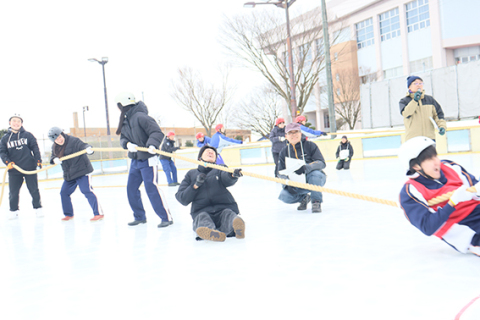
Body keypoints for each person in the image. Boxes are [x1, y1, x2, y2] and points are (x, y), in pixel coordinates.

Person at [398, 136, 480, 257]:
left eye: (435, 155)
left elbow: (474, 185)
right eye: (430, 159)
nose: (437, 161)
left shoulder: (450, 167)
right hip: (463, 227)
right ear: (416, 166)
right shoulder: (410, 191)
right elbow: (428, 227)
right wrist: (452, 202)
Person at [115, 92, 173, 228]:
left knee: (151, 187)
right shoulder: (125, 120)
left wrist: (152, 144)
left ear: (122, 105)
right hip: (135, 160)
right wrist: (127, 145)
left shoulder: (141, 117)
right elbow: (123, 137)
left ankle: (166, 217)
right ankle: (139, 216)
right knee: (131, 188)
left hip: (148, 159)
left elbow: (157, 132)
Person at [175, 145, 245, 242]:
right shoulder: (191, 174)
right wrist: (195, 185)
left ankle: (236, 226)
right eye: (207, 151)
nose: (210, 152)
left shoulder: (220, 168)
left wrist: (232, 175)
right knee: (202, 218)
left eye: (213, 152)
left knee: (228, 214)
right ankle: (211, 233)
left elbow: (226, 178)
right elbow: (182, 198)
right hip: (202, 210)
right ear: (200, 158)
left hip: (223, 207)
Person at [48, 127, 103, 222]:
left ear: (62, 134)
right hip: (69, 174)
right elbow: (53, 156)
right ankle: (68, 214)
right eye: (56, 139)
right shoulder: (55, 147)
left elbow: (84, 146)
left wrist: (89, 149)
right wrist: (54, 159)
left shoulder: (73, 140)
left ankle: (98, 213)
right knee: (64, 193)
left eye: (60, 137)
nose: (59, 140)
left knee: (86, 190)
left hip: (82, 171)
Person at [277, 123, 327, 213]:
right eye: (290, 133)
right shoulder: (284, 152)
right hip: (296, 182)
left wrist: (307, 167)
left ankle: (316, 201)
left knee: (315, 175)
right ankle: (304, 198)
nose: (294, 135)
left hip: (313, 179)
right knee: (284, 196)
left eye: (296, 132)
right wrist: (286, 182)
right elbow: (280, 172)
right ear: (286, 136)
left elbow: (321, 163)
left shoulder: (310, 145)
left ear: (300, 133)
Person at [0, 115, 43, 219]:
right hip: (14, 169)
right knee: (13, 192)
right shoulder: (5, 139)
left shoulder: (28, 135)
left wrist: (38, 160)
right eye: (14, 121)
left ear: (21, 123)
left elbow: (35, 148)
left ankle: (38, 208)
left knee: (34, 189)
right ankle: (13, 211)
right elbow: (2, 152)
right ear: (10, 123)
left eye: (18, 121)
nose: (16, 123)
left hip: (29, 167)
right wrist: (8, 162)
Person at [399, 75, 447, 141]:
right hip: (413, 138)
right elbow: (406, 113)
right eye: (415, 83)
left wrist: (442, 127)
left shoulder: (430, 100)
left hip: (429, 138)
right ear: (409, 87)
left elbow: (439, 115)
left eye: (421, 83)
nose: (419, 85)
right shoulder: (404, 101)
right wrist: (415, 101)